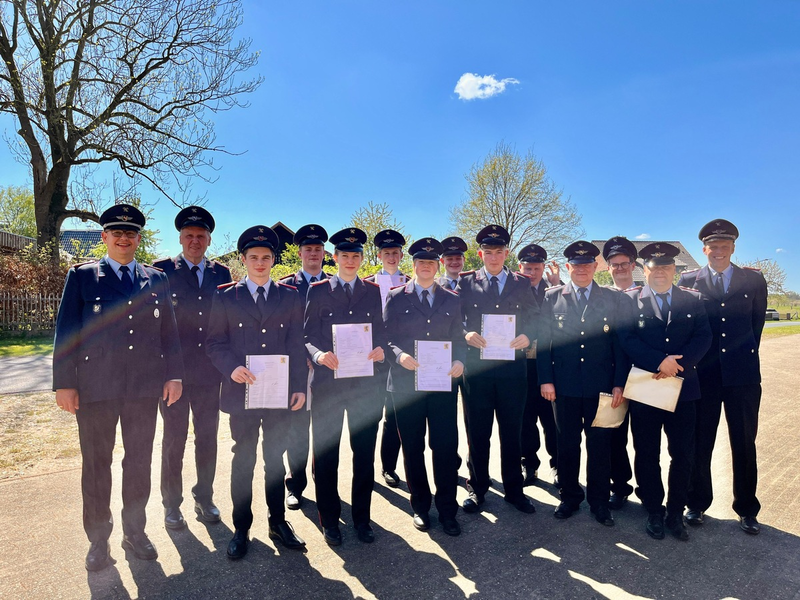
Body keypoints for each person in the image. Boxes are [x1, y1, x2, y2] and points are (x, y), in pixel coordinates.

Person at [53, 204, 184, 571]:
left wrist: (173, 375)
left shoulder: (155, 278)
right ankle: (98, 540)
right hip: (96, 389)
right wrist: (64, 383)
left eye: (130, 233)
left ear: (138, 239)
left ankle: (135, 531)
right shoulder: (82, 277)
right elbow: (67, 333)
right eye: (117, 233)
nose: (124, 239)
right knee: (96, 465)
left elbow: (169, 334)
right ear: (104, 237)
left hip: (143, 389)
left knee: (138, 462)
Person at [205, 226, 307, 560]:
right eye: (253, 257)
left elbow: (294, 344)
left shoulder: (290, 296)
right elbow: (214, 342)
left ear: (274, 260)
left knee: (274, 460)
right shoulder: (225, 296)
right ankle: (241, 527)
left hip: (279, 395)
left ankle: (278, 522)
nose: (260, 263)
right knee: (243, 461)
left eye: (266, 257)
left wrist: (296, 387)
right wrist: (231, 367)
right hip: (242, 394)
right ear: (243, 260)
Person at [678, 219, 768, 535]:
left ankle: (747, 509)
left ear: (733, 247)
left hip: (742, 376)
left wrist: (741, 359)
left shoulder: (754, 280)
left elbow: (756, 326)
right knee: (700, 441)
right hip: (703, 377)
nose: (718, 251)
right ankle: (696, 503)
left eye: (724, 245)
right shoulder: (689, 279)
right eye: (713, 246)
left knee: (744, 441)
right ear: (704, 249)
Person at [618, 243, 712, 540]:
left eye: (666, 267)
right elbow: (626, 338)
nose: (660, 272)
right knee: (646, 452)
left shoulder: (694, 300)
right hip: (646, 387)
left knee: (683, 453)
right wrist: (659, 361)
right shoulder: (630, 301)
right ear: (643, 270)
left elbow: (703, 337)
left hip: (683, 388)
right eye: (654, 267)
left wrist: (676, 365)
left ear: (675, 270)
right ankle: (654, 510)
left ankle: (675, 512)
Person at [305, 227, 387, 546]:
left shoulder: (372, 290)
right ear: (334, 257)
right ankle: (330, 521)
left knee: (364, 456)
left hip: (365, 387)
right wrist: (319, 353)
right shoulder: (318, 289)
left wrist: (380, 350)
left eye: (356, 256)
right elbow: (306, 336)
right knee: (327, 456)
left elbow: (381, 332)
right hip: (328, 385)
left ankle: (362, 520)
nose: (350, 260)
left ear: (362, 259)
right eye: (344, 255)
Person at [537, 241, 628, 527]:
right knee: (566, 444)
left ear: (596, 267)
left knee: (600, 446)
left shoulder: (612, 298)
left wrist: (618, 383)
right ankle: (570, 496)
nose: (582, 270)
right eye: (576, 266)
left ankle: (599, 502)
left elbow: (619, 345)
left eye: (587, 265)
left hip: (601, 388)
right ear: (568, 268)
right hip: (563, 387)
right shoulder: (552, 297)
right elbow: (543, 344)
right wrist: (546, 379)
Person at [155, 206, 232, 530]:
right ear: (181, 238)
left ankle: (205, 497)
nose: (195, 241)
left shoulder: (221, 275)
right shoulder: (160, 272)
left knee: (207, 438)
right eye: (189, 235)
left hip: (209, 374)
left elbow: (229, 323)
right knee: (174, 439)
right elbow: (153, 327)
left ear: (209, 238)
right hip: (173, 375)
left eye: (201, 236)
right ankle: (171, 505)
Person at [384, 238, 466, 536]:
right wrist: (399, 355)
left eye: (432, 263)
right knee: (413, 448)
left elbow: (459, 337)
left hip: (442, 383)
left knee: (444, 447)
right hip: (406, 385)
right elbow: (386, 338)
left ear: (438, 265)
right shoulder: (396, 297)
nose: (426, 267)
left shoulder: (452, 298)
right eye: (421, 263)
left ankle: (447, 510)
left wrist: (460, 360)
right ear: (413, 265)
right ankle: (420, 506)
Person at [457, 225, 538, 515]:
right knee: (478, 433)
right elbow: (455, 320)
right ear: (481, 254)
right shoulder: (466, 283)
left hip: (512, 371)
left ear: (506, 253)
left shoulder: (521, 282)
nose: (493, 257)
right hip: (477, 372)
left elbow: (535, 318)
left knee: (511, 433)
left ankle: (514, 490)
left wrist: (528, 335)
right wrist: (465, 334)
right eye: (488, 252)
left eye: (499, 252)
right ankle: (477, 488)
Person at [279, 224, 329, 511]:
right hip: (296, 369)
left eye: (318, 249)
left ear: (325, 253)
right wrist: (303, 355)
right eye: (308, 249)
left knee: (323, 430)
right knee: (296, 431)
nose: (313, 254)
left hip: (326, 367)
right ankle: (295, 485)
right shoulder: (286, 287)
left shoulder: (334, 284)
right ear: (299, 253)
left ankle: (323, 484)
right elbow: (283, 328)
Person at [365, 229, 408, 488]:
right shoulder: (366, 284)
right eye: (386, 253)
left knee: (394, 418)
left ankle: (389, 467)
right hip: (371, 359)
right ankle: (365, 470)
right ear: (379, 255)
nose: (391, 257)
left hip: (398, 359)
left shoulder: (412, 282)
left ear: (401, 255)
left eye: (395, 252)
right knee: (370, 417)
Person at [516, 243, 558, 487]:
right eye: (527, 268)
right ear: (520, 267)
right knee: (525, 420)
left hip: (549, 365)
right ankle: (529, 465)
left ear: (543, 268)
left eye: (536, 268)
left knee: (551, 420)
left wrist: (555, 285)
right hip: (522, 366)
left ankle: (557, 465)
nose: (531, 273)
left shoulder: (554, 291)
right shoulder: (513, 291)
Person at [601, 236, 638, 510]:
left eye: (624, 264)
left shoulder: (650, 293)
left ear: (634, 265)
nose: (620, 268)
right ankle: (620, 485)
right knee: (615, 436)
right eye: (614, 265)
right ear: (608, 267)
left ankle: (650, 489)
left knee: (648, 439)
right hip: (615, 377)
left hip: (648, 376)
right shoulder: (604, 298)